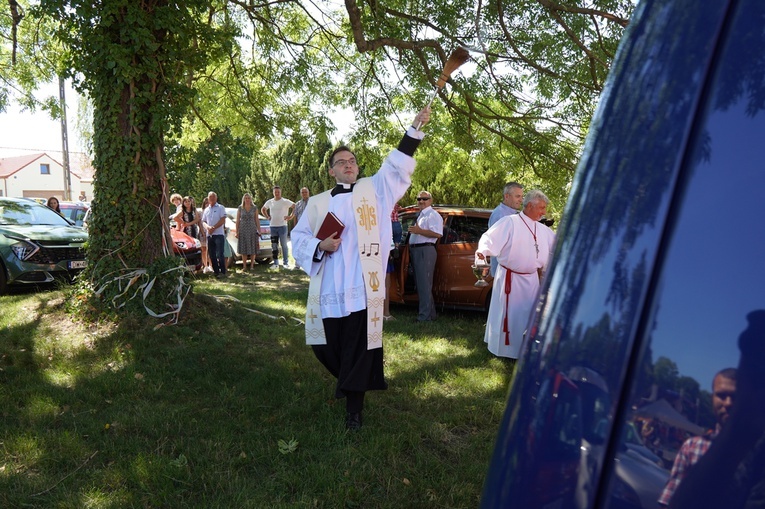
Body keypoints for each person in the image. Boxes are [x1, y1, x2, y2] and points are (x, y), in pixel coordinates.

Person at [292, 106, 431, 430]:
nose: (349, 165)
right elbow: (298, 237)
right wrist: (318, 245)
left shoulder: (375, 190)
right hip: (328, 286)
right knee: (322, 345)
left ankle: (354, 410)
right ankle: (351, 379)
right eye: (342, 162)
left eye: (352, 161)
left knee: (358, 347)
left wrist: (414, 129)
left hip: (361, 286)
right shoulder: (316, 203)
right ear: (331, 171)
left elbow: (396, 167)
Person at [475, 189, 555, 359]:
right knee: (509, 316)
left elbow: (557, 247)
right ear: (530, 206)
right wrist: (483, 252)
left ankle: (524, 351)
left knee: (528, 317)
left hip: (532, 280)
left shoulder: (543, 230)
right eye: (541, 208)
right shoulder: (509, 223)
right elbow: (488, 239)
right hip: (510, 279)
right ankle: (505, 351)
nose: (544, 212)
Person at [658, 367, 737, 506]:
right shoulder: (692, 447)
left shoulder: (758, 454)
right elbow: (668, 501)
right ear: (712, 398)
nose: (728, 403)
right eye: (722, 395)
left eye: (735, 396)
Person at [407, 190, 443, 322]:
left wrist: (419, 231)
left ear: (431, 200)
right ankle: (430, 314)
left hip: (425, 251)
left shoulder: (433, 215)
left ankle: (424, 317)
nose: (421, 201)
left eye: (425, 199)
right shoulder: (421, 215)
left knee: (424, 285)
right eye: (419, 199)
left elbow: (438, 234)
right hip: (417, 250)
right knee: (423, 285)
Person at [488, 182, 524, 277]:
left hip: (512, 272)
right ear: (507, 196)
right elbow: (499, 245)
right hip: (503, 272)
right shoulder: (499, 215)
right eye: (517, 196)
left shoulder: (514, 214)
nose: (521, 200)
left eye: (521, 197)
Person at [261, 186, 294, 268]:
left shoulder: (285, 201)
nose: (277, 193)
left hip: (282, 226)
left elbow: (295, 206)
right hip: (273, 227)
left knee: (284, 245)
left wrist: (290, 217)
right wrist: (267, 216)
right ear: (273, 192)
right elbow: (263, 209)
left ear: (280, 192)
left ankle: (285, 263)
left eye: (278, 192)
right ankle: (276, 263)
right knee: (274, 245)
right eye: (275, 192)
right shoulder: (270, 202)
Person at [201, 191, 228, 278]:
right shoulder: (206, 210)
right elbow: (203, 221)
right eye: (210, 197)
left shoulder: (221, 208)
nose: (212, 198)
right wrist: (208, 227)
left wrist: (213, 227)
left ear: (216, 198)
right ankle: (216, 271)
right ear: (208, 199)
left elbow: (222, 220)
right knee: (211, 254)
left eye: (213, 197)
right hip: (210, 235)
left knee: (220, 253)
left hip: (219, 234)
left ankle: (223, 271)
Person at [383, 203, 403, 320]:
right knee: (386, 284)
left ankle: (383, 313)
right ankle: (385, 313)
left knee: (384, 285)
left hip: (377, 251)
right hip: (385, 252)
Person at [236, 193, 261, 271]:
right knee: (244, 248)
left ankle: (252, 265)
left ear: (251, 199)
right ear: (243, 199)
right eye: (245, 198)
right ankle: (244, 266)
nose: (247, 200)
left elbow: (257, 219)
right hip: (243, 230)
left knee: (253, 247)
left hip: (252, 229)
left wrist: (259, 230)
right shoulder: (240, 208)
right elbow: (237, 220)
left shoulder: (254, 208)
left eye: (248, 198)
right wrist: (237, 231)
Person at [200, 196, 211, 273]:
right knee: (204, 250)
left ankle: (211, 265)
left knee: (211, 250)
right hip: (202, 232)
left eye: (209, 202)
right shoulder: (201, 212)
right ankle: (205, 266)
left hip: (211, 233)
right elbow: (200, 223)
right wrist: (203, 233)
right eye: (206, 203)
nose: (207, 204)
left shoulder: (213, 211)